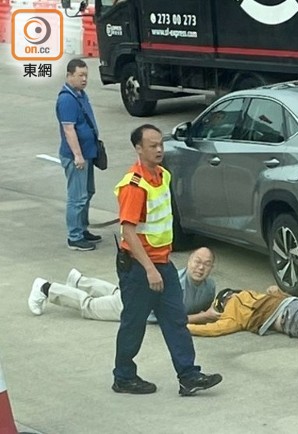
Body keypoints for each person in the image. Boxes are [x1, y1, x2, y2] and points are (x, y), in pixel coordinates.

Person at [112, 124, 221, 396]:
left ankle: (189, 376)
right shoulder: (134, 186)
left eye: (160, 144)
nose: (159, 149)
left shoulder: (163, 176)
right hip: (139, 268)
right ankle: (123, 376)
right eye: (152, 145)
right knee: (134, 324)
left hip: (163, 264)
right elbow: (128, 231)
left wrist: (160, 265)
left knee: (175, 320)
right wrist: (150, 270)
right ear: (138, 148)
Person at [27, 248, 220, 325]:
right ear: (188, 261)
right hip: (132, 306)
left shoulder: (210, 287)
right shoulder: (175, 286)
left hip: (137, 293)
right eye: (197, 261)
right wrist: (204, 317)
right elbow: (171, 320)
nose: (200, 267)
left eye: (206, 264)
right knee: (90, 306)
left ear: (212, 267)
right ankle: (45, 288)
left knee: (116, 292)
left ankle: (78, 281)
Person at [56, 58, 102, 251]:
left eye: (86, 75)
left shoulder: (80, 94)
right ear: (69, 76)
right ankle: (74, 236)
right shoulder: (67, 99)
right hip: (78, 157)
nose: (84, 79)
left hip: (88, 154)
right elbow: (69, 129)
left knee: (88, 193)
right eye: (80, 75)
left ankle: (83, 229)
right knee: (77, 197)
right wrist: (78, 155)